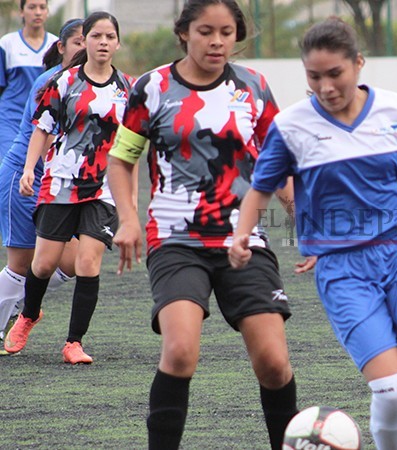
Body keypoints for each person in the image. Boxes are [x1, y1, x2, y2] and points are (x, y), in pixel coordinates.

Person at [231, 17, 397, 450]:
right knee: (393, 388)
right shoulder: (293, 127)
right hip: (343, 269)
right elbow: (261, 187)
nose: (326, 86)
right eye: (314, 76)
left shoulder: (395, 112)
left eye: (335, 74)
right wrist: (243, 234)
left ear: (358, 64)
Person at [106, 1, 298, 448]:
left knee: (272, 360)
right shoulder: (151, 87)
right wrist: (129, 219)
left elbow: (277, 162)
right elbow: (121, 160)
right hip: (175, 237)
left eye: (227, 32)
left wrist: (302, 216)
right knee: (179, 351)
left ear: (237, 36)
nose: (217, 41)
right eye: (206, 31)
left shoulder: (254, 86)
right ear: (184, 34)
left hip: (244, 238)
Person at [3, 12, 133, 365]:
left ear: (117, 43)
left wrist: (131, 199)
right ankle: (28, 314)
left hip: (103, 188)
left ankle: (73, 342)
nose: (103, 42)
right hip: (60, 182)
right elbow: (42, 129)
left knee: (88, 263)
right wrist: (30, 169)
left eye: (110, 36)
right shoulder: (63, 83)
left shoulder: (128, 90)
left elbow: (133, 144)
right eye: (96, 36)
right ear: (85, 41)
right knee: (42, 265)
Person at [0, 18, 84, 356]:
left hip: (58, 183)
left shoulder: (93, 83)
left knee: (74, 262)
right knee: (20, 264)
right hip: (25, 176)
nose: (86, 47)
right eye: (77, 42)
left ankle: (23, 306)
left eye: (90, 40)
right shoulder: (50, 81)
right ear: (61, 47)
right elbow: (46, 134)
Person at [0, 0, 57, 162]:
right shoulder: (7, 43)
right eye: (32, 7)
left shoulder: (56, 45)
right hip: (11, 118)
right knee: (10, 165)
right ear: (22, 11)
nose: (37, 12)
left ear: (47, 11)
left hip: (43, 121)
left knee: (38, 170)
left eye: (42, 7)